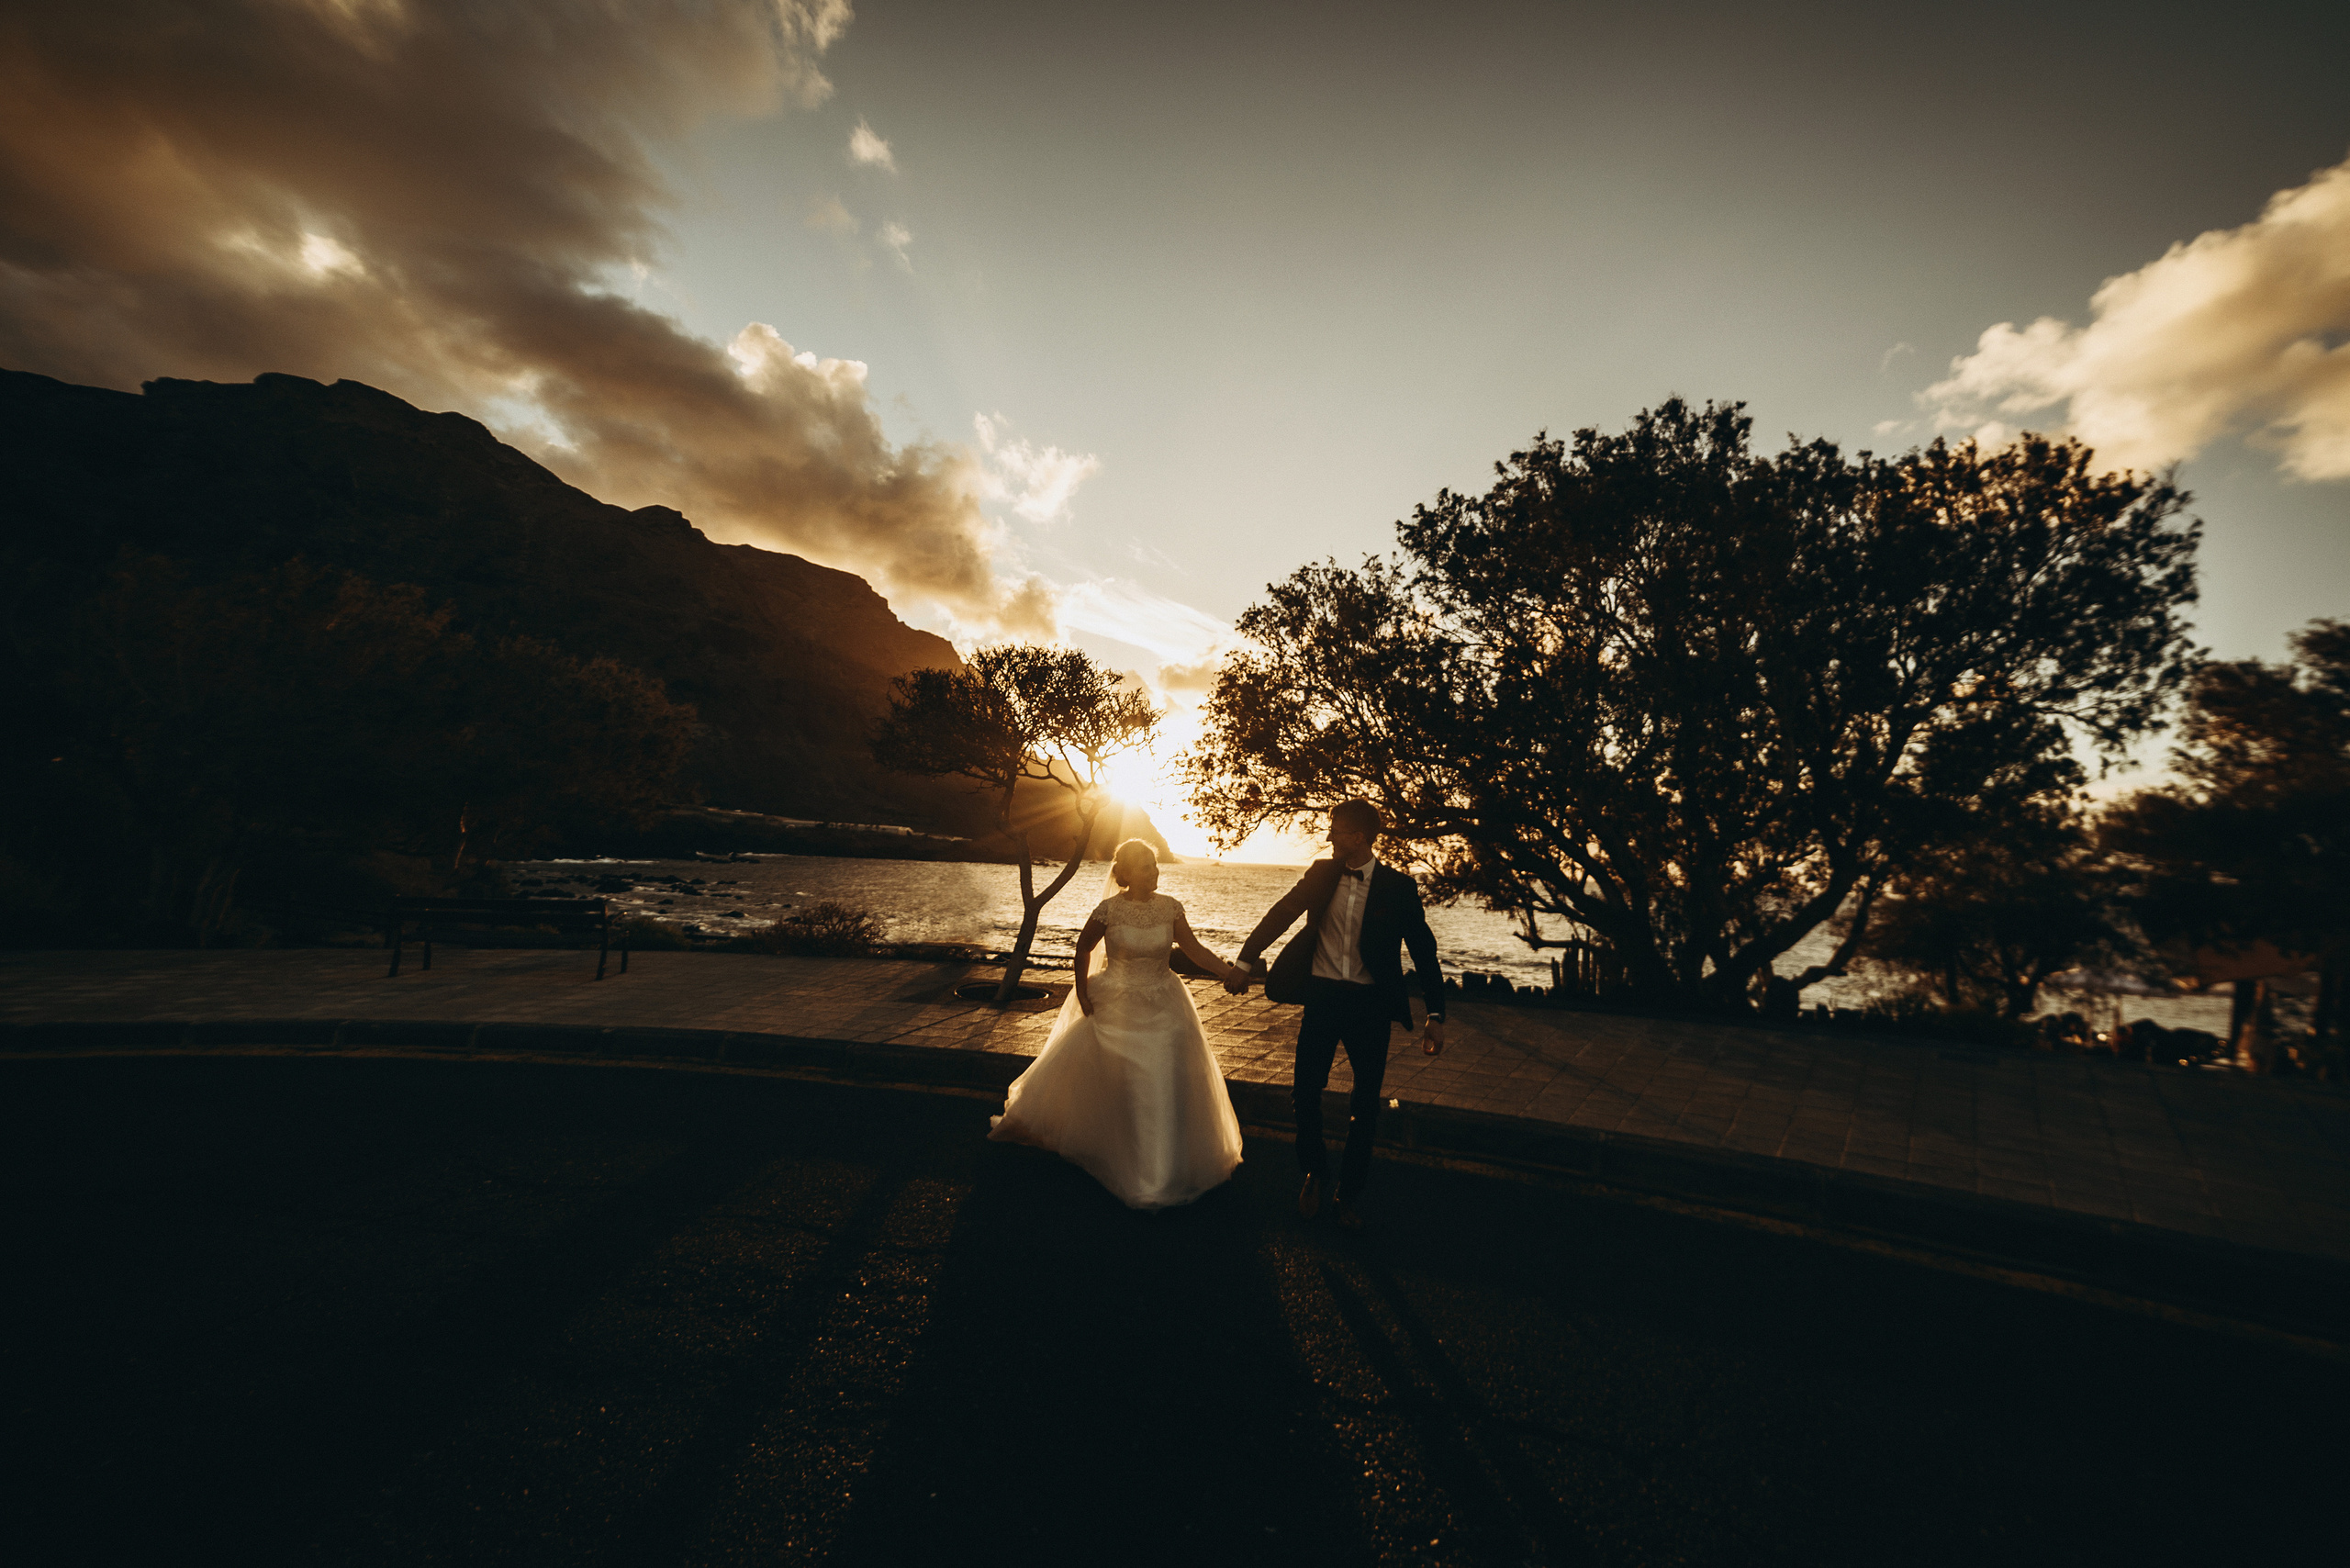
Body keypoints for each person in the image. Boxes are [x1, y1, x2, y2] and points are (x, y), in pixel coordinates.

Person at [987, 840, 1250, 1209]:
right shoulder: (1107, 910)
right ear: (1125, 874)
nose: (1155, 872)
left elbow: (1194, 950)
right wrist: (1081, 991)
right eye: (1146, 867)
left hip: (1164, 1000)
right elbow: (1082, 948)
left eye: (1155, 865)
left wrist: (1229, 972)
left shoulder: (1171, 908)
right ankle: (1119, 1151)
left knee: (1159, 1075)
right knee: (1119, 1077)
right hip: (1115, 998)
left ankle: (1160, 1164)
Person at [1233, 800, 1445, 1229]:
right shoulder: (1322, 873)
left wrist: (1436, 1013)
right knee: (1304, 1092)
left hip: (1369, 1006)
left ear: (1360, 838)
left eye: (1337, 831)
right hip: (1323, 997)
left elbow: (1424, 951)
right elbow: (1283, 913)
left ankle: (1348, 1194)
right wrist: (1244, 960)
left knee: (1365, 1105)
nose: (1329, 837)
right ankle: (1315, 1170)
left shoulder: (1398, 888)